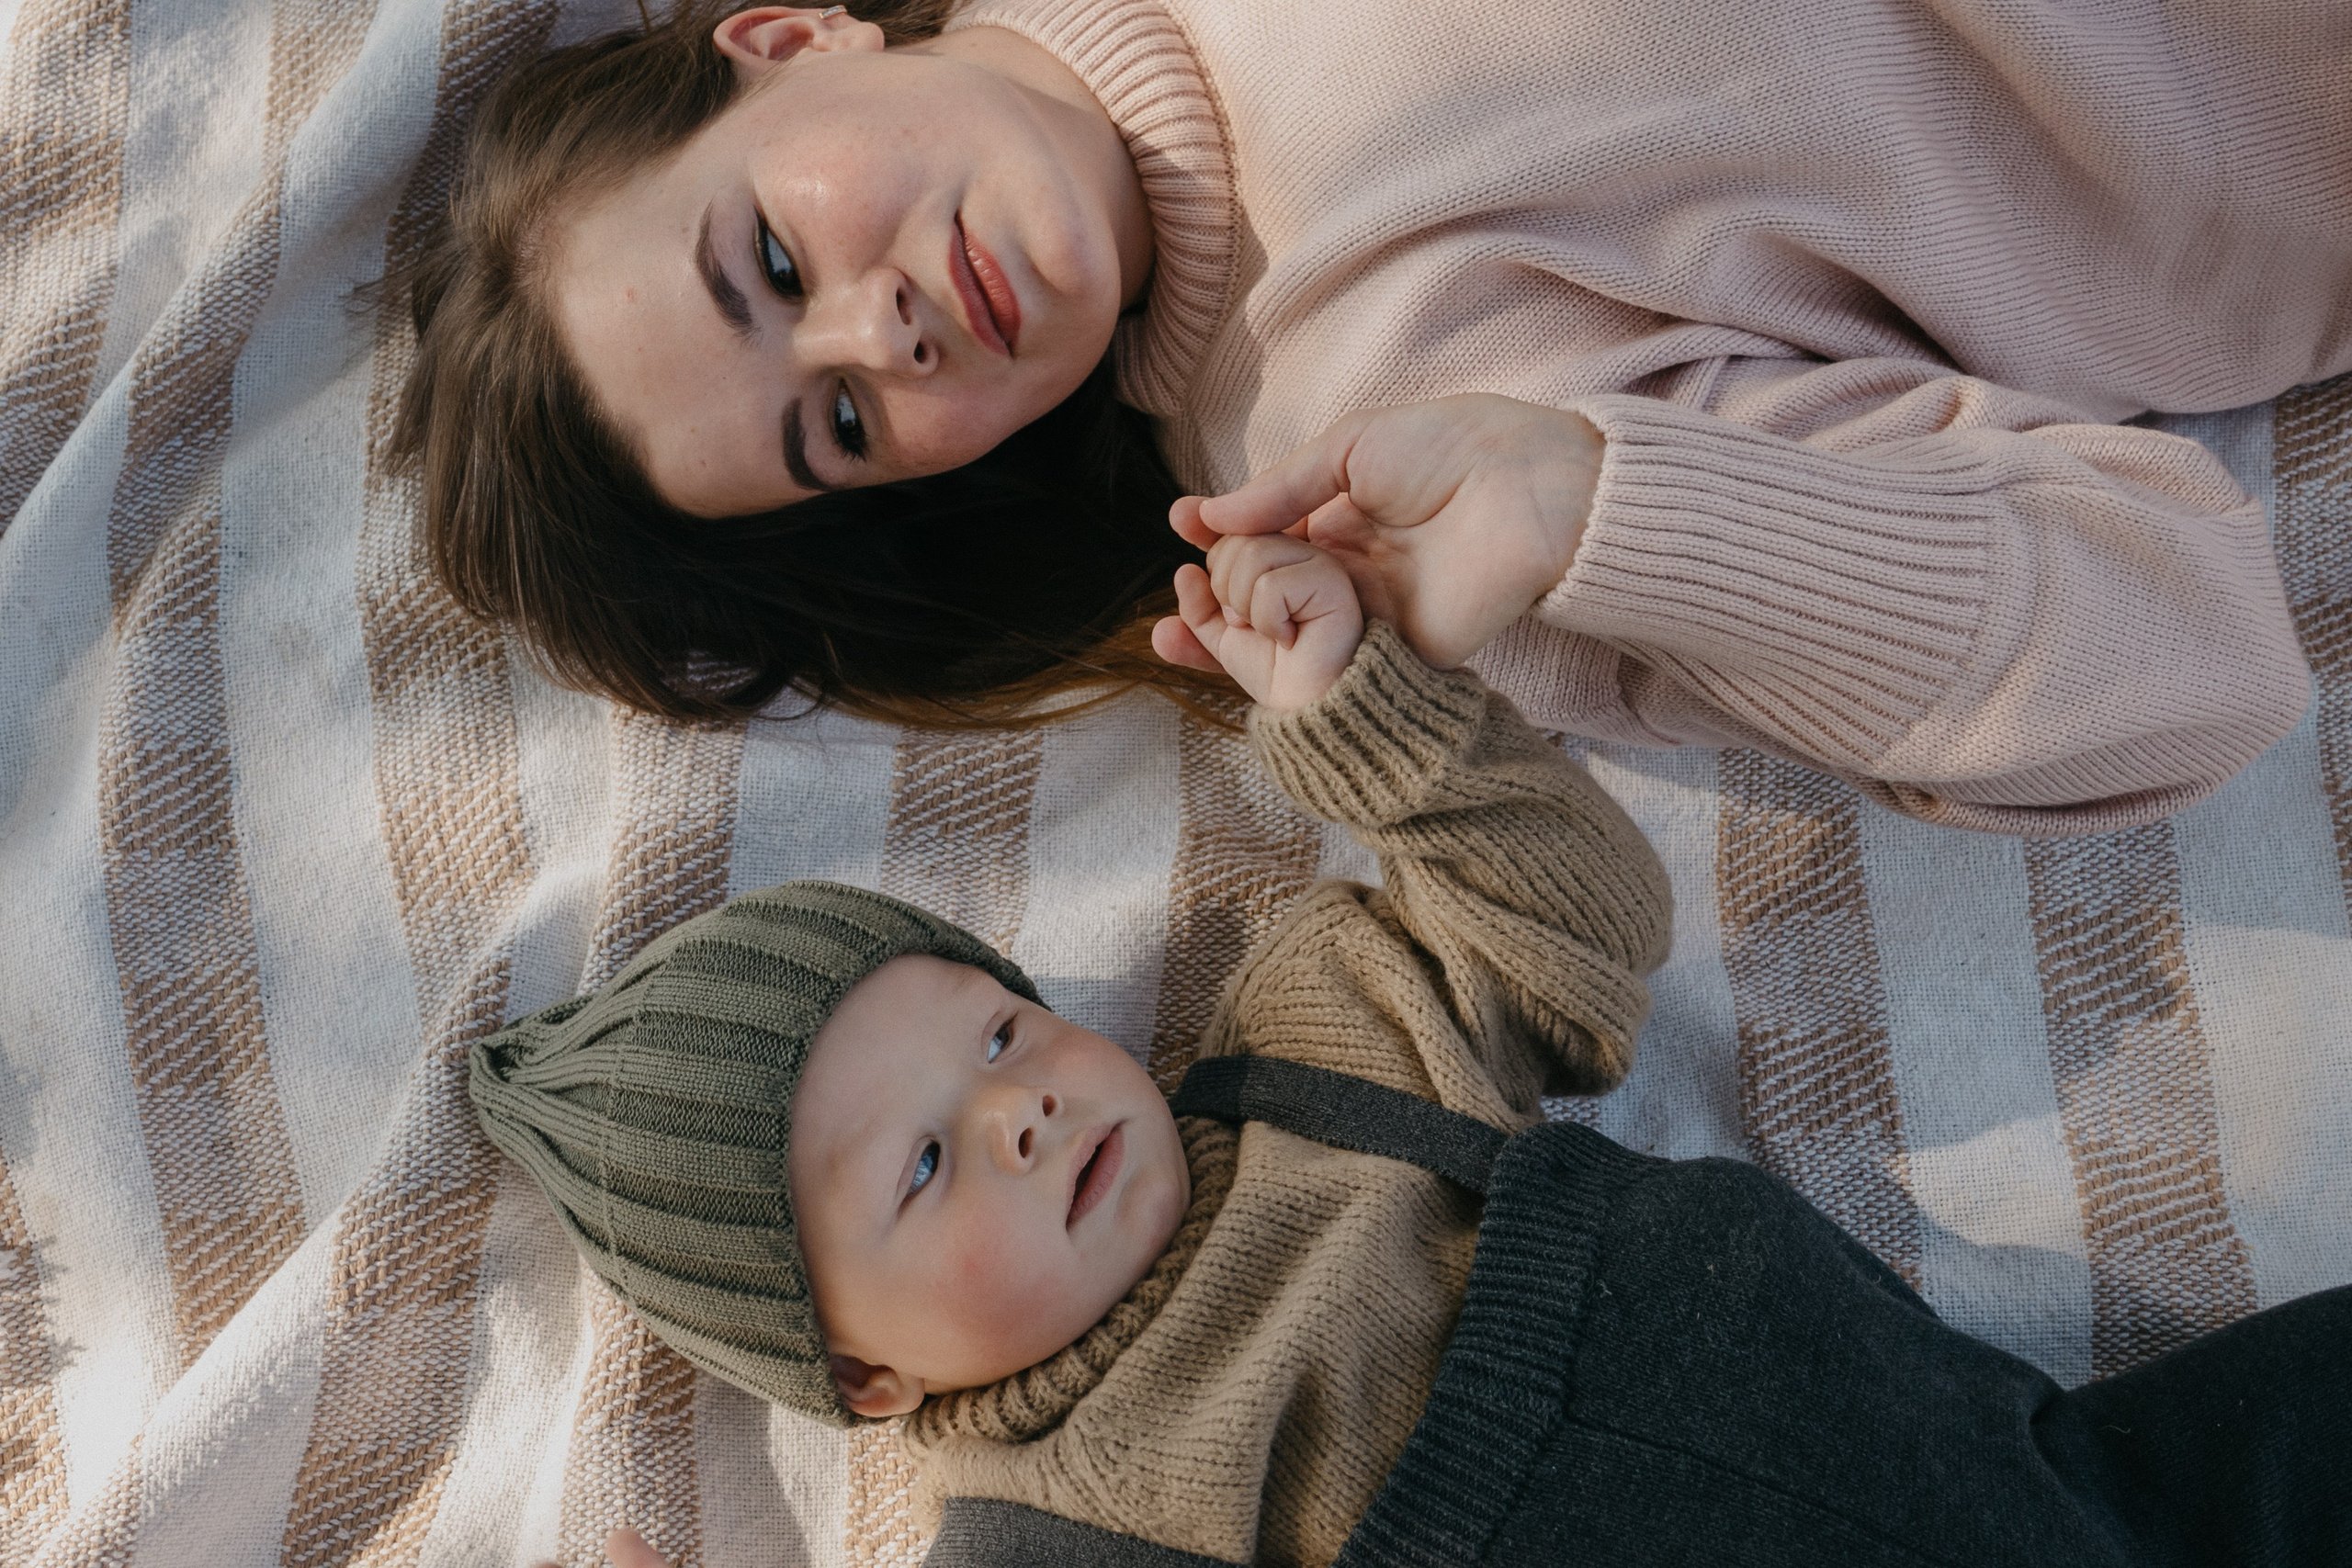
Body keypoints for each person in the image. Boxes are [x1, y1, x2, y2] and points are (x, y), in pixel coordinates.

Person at [479, 542, 2349, 1568]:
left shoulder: (1309, 1036)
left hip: (2022, 1473)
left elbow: (1568, 918)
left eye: (994, 1025)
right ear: (867, 1378)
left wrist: (1352, 715)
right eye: (920, 1167)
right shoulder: (1053, 1518)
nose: (1018, 1102)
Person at [397, 0, 2346, 830]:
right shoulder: (1376, 434)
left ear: (783, 38)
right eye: (830, 425)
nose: (879, 332)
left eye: (766, 258)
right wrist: (1602, 503)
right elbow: (2189, 651)